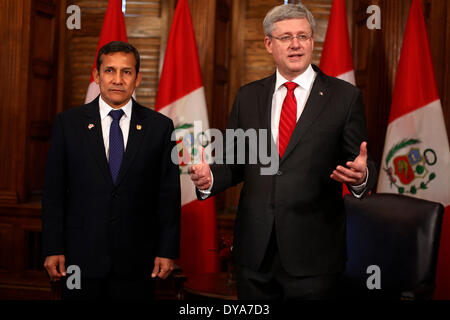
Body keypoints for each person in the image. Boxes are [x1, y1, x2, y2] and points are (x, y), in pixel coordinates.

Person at [190, 4, 377, 299]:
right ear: (268, 44)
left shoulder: (344, 98)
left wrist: (360, 176)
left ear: (312, 41)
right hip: (255, 254)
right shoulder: (248, 96)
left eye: (303, 36)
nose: (295, 44)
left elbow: (362, 163)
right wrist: (209, 178)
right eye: (285, 37)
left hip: (314, 257)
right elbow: (235, 164)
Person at [42, 41, 181, 300]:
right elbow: (54, 192)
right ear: (96, 75)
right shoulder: (68, 124)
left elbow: (168, 194)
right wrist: (53, 247)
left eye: (126, 72)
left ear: (137, 78)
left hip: (138, 261)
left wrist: (167, 250)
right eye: (109, 71)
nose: (117, 79)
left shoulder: (160, 127)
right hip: (79, 258)